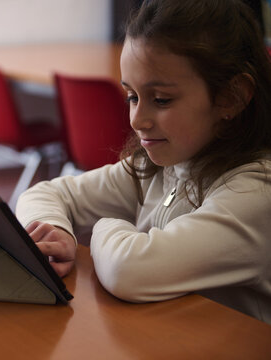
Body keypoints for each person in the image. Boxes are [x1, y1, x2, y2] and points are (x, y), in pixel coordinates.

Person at [16, 0, 271, 324]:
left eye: (161, 100)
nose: (137, 120)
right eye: (132, 97)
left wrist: (104, 225)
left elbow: (128, 270)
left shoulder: (257, 193)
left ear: (231, 97)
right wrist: (55, 231)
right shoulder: (161, 165)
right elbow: (43, 193)